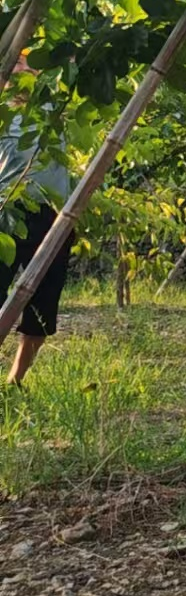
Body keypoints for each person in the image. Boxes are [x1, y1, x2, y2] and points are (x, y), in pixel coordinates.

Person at [0, 54, 72, 387]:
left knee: (42, 308)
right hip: (5, 212)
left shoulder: (55, 109)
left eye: (30, 63)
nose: (23, 69)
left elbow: (73, 56)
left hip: (53, 215)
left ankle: (15, 380)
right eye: (16, 62)